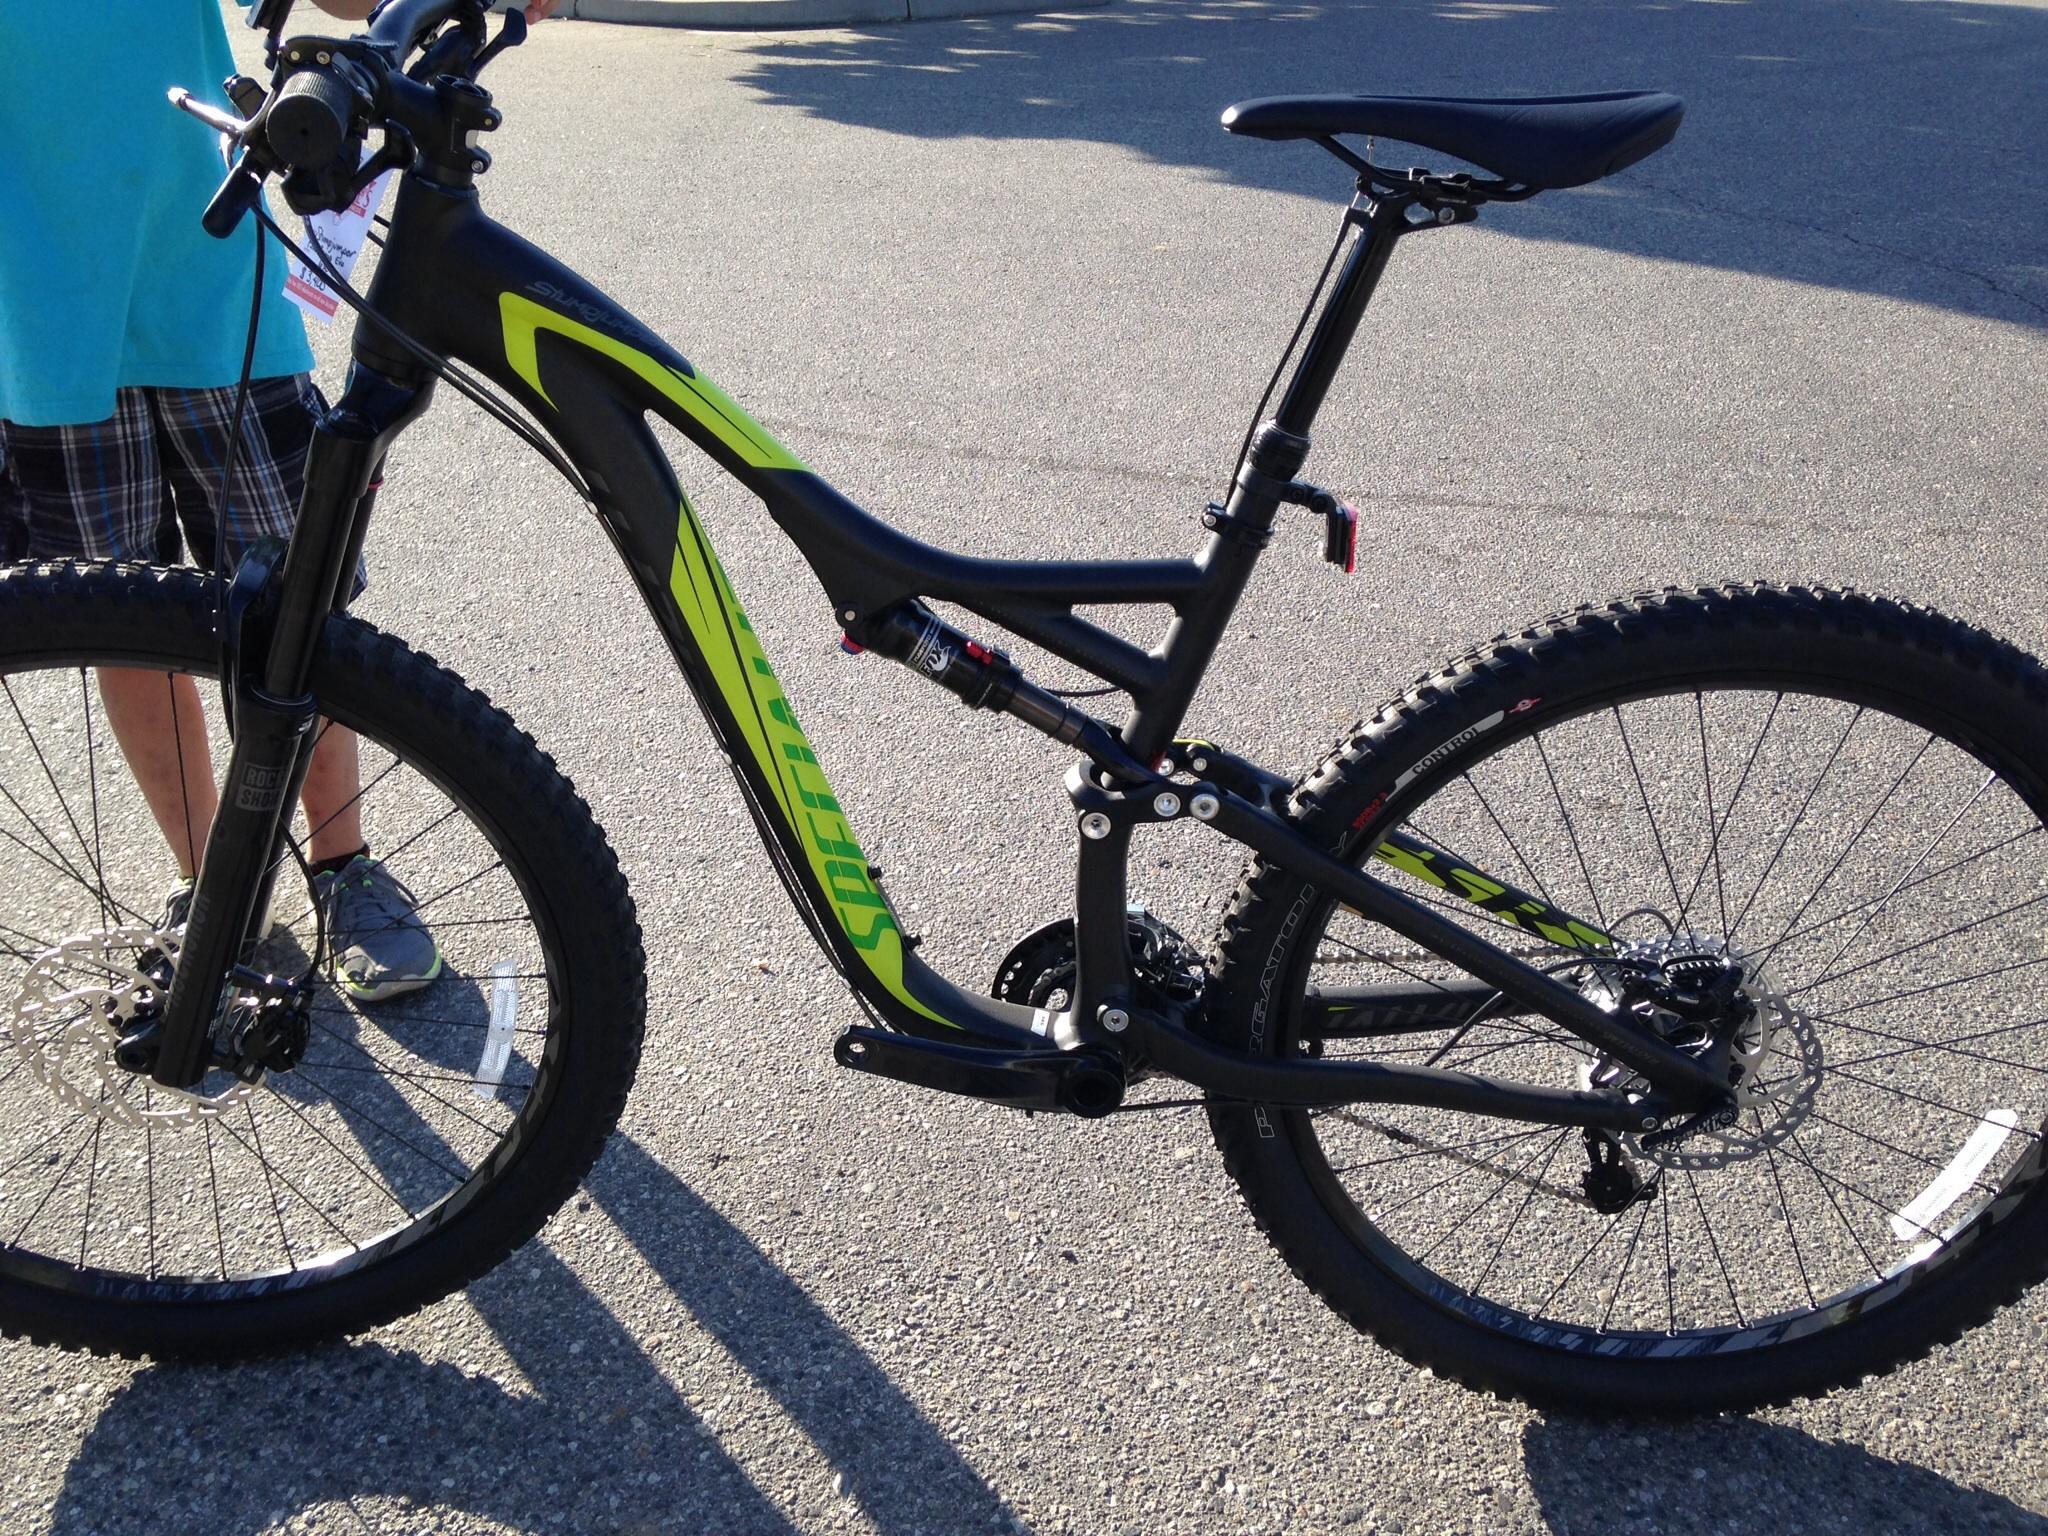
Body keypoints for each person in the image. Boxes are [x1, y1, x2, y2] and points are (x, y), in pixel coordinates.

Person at [0, 0, 554, 999]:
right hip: (41, 324)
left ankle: (344, 867)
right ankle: (212, 886)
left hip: (214, 292)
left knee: (295, 605)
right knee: (127, 626)